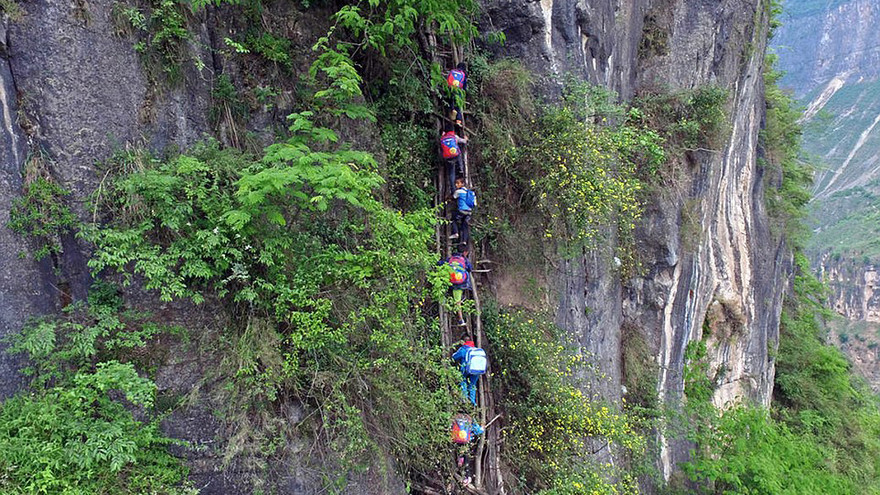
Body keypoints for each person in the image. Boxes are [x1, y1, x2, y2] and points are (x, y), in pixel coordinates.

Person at [439, 251, 473, 326]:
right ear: (465, 252)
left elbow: (441, 264)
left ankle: (448, 305)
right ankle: (460, 320)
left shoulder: (450, 259)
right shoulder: (464, 260)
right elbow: (470, 268)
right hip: (461, 284)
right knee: (458, 302)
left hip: (451, 283)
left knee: (456, 300)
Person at [452, 339, 487, 405]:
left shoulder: (463, 349)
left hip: (465, 369)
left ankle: (464, 399)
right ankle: (472, 402)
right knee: (472, 385)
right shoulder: (476, 350)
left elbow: (454, 357)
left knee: (463, 381)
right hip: (476, 370)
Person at [440, 124, 467, 193]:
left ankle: (453, 190)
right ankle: (460, 168)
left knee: (451, 174)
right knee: (459, 153)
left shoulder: (442, 138)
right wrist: (466, 139)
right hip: (455, 156)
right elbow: (464, 141)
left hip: (448, 158)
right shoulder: (454, 137)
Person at [450, 177, 475, 246]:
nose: (456, 185)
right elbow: (474, 204)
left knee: (453, 218)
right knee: (465, 225)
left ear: (462, 184)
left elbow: (453, 197)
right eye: (456, 183)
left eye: (458, 183)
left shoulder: (458, 191)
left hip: (462, 211)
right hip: (469, 212)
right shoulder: (471, 193)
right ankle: (464, 241)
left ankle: (455, 233)